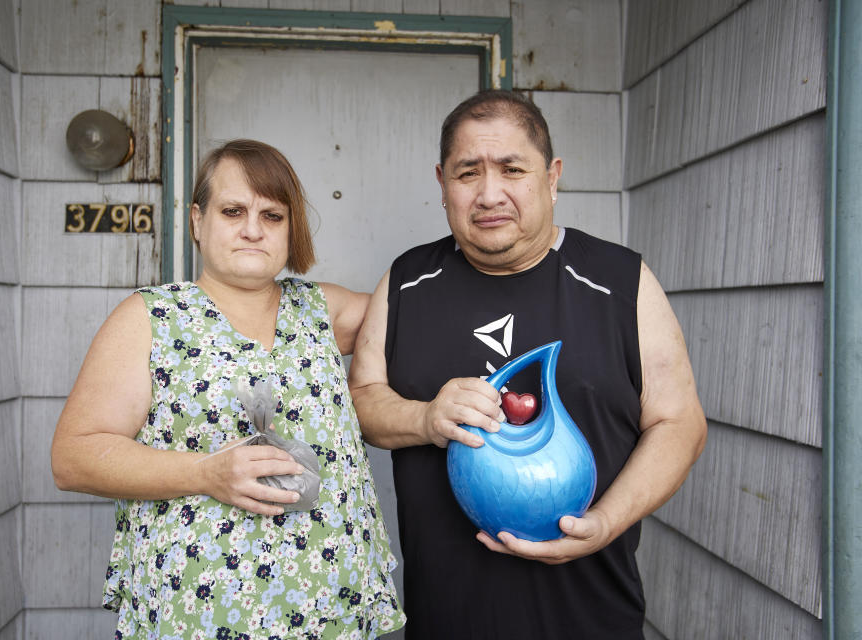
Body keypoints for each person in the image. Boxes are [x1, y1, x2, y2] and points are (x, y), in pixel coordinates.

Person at [348, 90, 706, 639]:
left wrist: (604, 523)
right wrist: (425, 418)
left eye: (512, 169)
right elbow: (363, 399)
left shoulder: (620, 280)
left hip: (590, 616)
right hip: (448, 617)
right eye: (468, 173)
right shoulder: (408, 281)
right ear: (442, 181)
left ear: (552, 176)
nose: (490, 193)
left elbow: (679, 423)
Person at [52, 139, 406, 640]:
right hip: (201, 610)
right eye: (232, 211)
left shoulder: (322, 312)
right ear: (197, 220)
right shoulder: (150, 319)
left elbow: (420, 308)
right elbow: (74, 458)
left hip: (331, 607)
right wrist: (206, 472)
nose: (253, 229)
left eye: (273, 215)